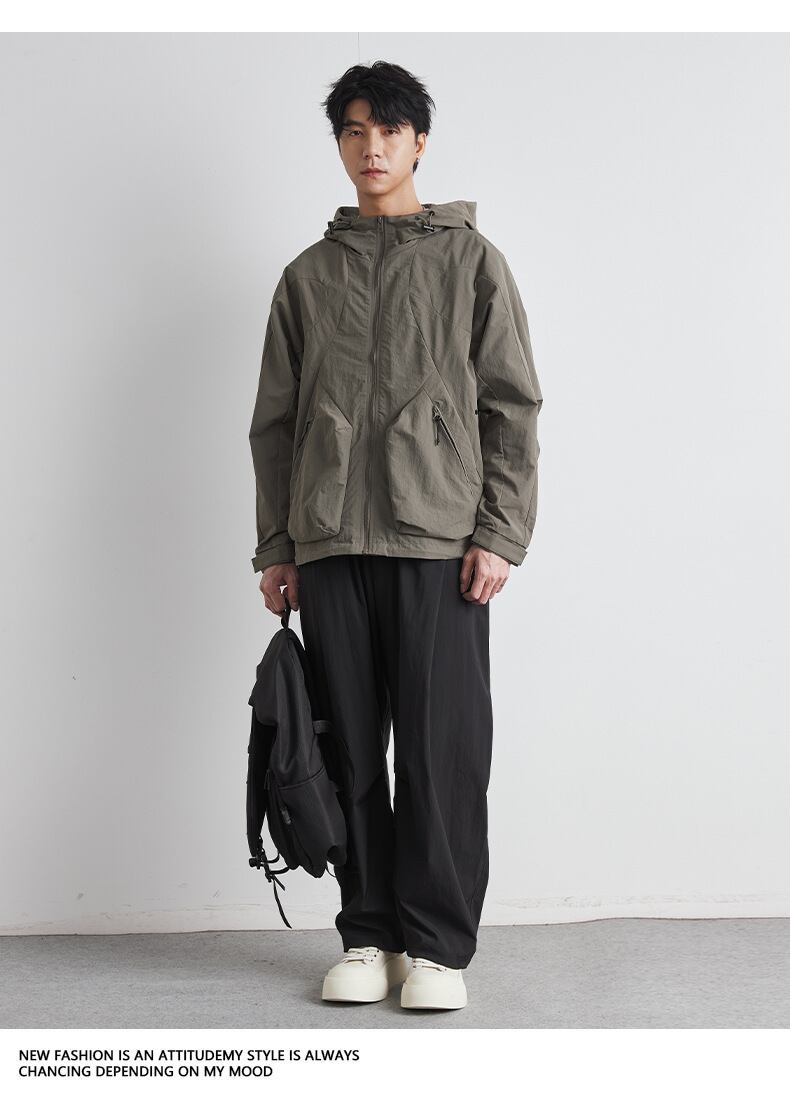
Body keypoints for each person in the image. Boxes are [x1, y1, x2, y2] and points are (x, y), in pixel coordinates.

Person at [249, 60, 542, 1011]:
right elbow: (276, 424)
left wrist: (499, 530)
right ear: (340, 143)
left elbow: (511, 405)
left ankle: (438, 946)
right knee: (345, 752)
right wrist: (278, 544)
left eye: (388, 130)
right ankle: (368, 934)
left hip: (440, 543)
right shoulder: (307, 277)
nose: (370, 146)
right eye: (353, 130)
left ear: (420, 142)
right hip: (331, 541)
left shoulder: (471, 262)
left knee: (440, 752)